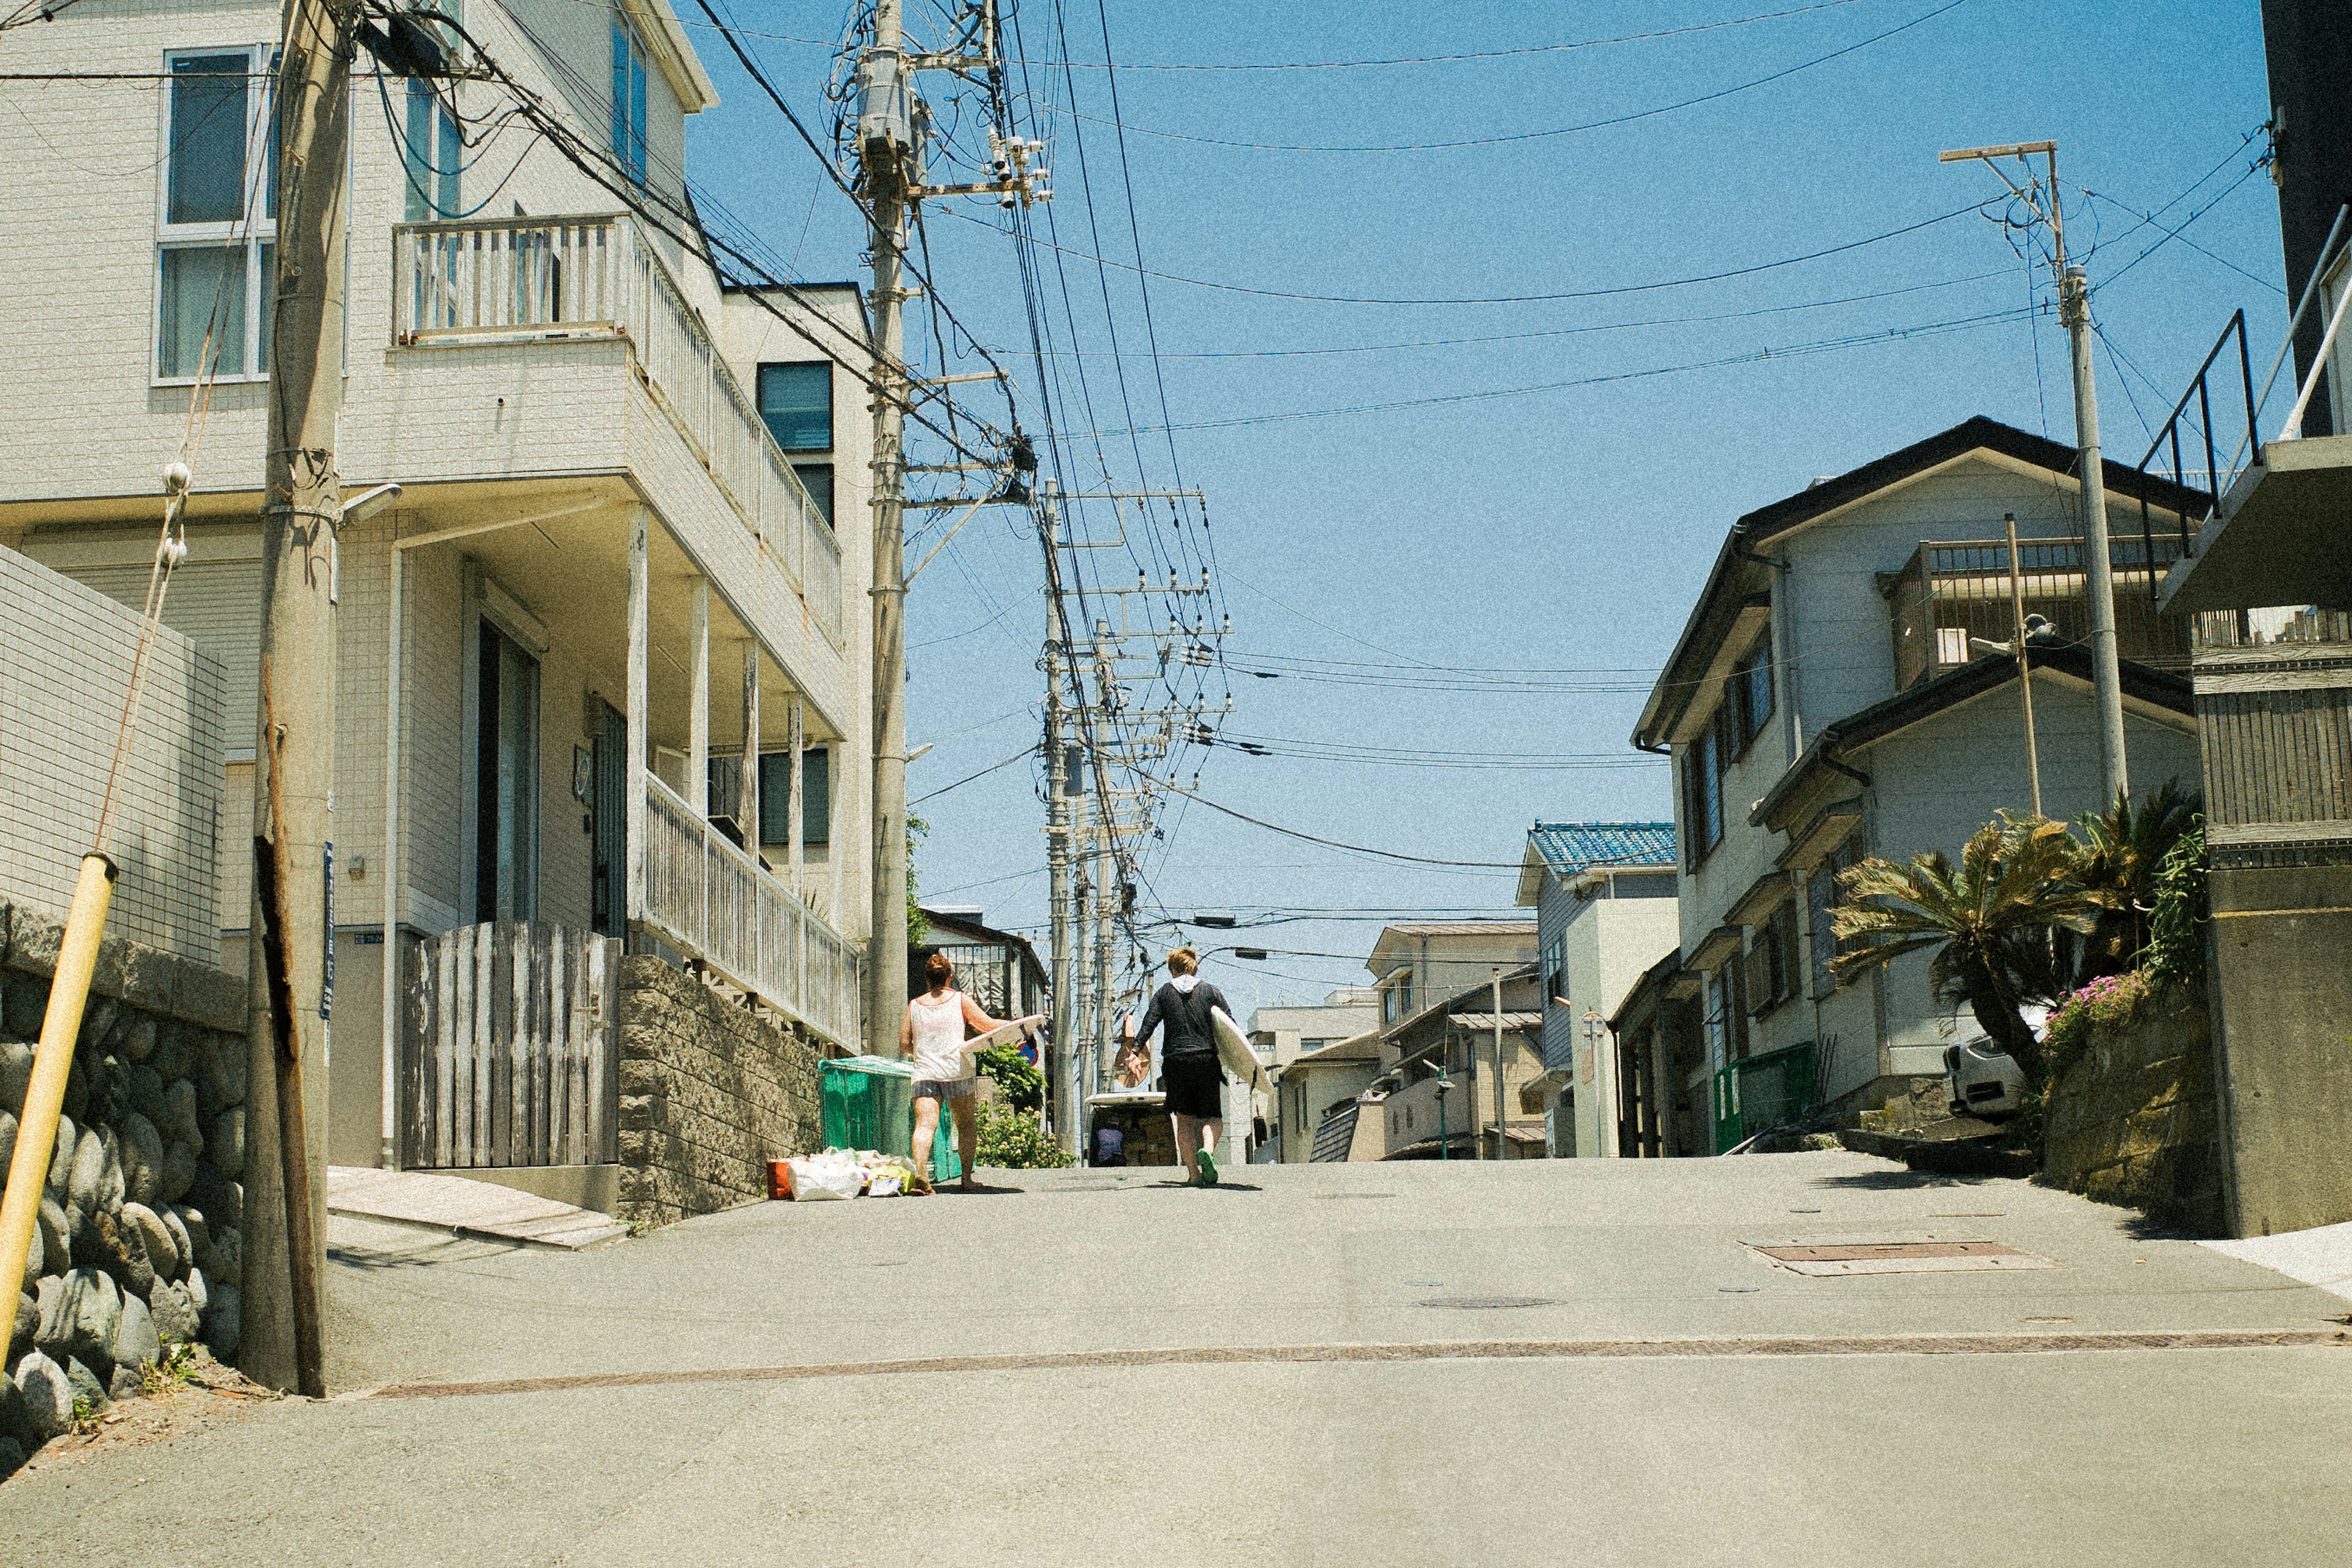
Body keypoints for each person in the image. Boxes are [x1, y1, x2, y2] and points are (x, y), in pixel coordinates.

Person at [902, 951, 1009, 1193]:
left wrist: (921, 1052)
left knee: (925, 1125)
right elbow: (988, 1026)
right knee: (966, 1125)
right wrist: (1019, 1026)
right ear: (950, 977)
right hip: (956, 1071)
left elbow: (904, 1043)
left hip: (925, 1072)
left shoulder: (914, 1006)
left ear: (928, 980)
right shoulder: (960, 1000)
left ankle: (921, 1172)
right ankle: (967, 1179)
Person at [1131, 946, 1235, 1186]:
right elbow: (1230, 1026)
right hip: (1205, 1059)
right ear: (1195, 967)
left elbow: (1149, 1023)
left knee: (1185, 1120)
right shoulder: (1211, 992)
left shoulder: (1165, 993)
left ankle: (1194, 1175)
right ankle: (1207, 1150)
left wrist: (1135, 1052)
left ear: (1173, 970)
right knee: (1212, 1116)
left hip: (1176, 1062)